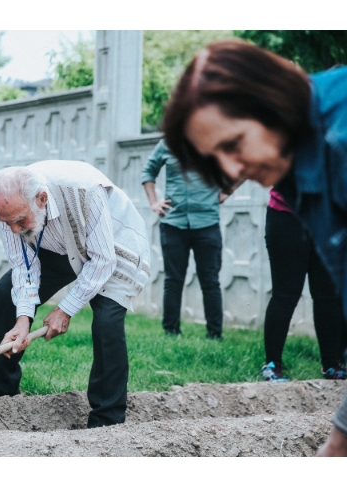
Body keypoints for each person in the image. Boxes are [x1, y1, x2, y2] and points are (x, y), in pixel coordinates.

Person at [161, 38, 347, 455]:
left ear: (270, 102)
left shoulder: (342, 137)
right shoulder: (295, 167)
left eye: (233, 144)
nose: (230, 170)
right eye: (216, 158)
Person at [0, 161, 151, 429]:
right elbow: (23, 265)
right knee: (6, 293)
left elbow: (102, 261)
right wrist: (23, 318)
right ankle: (1, 386)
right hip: (59, 246)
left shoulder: (85, 190)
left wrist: (65, 309)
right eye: (7, 223)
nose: (14, 229)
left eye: (19, 221)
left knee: (107, 320)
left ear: (42, 199)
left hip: (114, 248)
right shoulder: (12, 209)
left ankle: (107, 418)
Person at [142, 138, 226, 339]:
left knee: (210, 281)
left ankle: (215, 334)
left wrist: (227, 191)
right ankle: (171, 331)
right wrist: (154, 202)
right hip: (173, 223)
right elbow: (148, 172)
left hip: (207, 222)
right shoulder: (168, 143)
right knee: (173, 279)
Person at [262, 189, 346, 382]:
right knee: (285, 294)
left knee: (328, 295)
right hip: (287, 216)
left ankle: (331, 364)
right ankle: (272, 364)